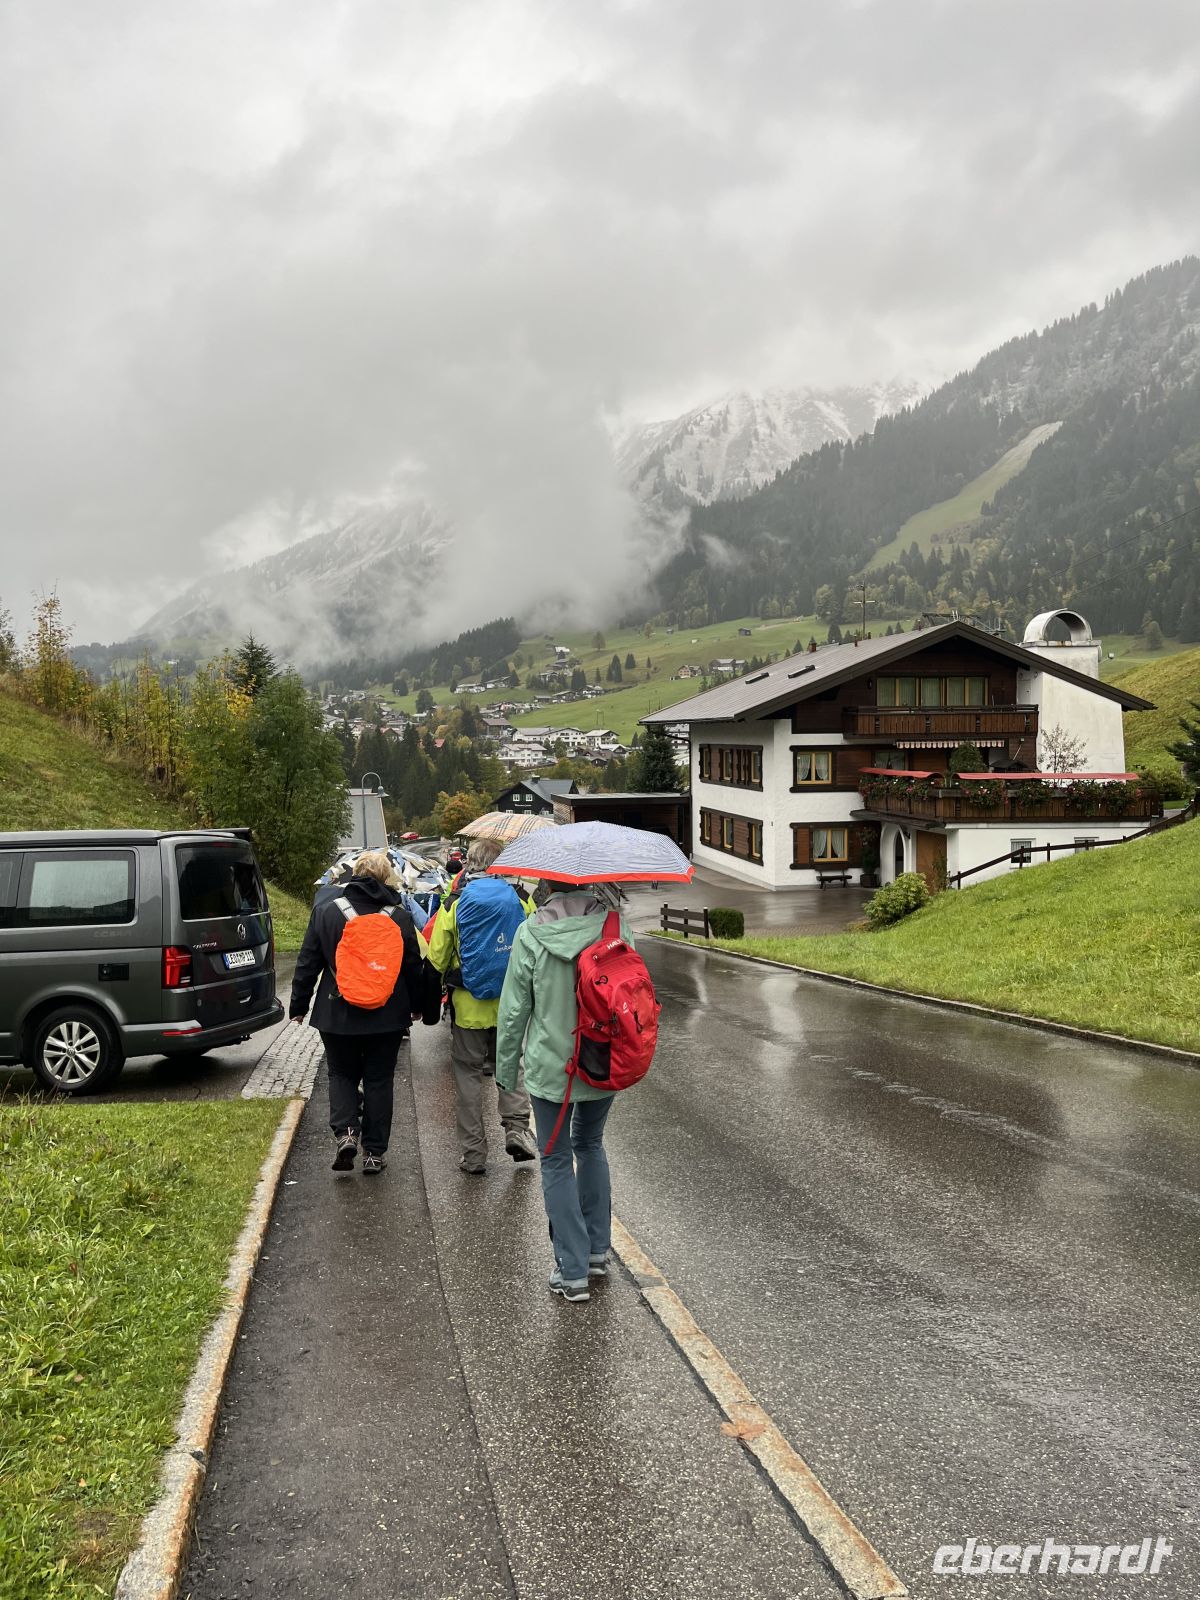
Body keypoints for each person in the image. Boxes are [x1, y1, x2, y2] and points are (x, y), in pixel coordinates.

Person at [496, 883, 628, 1304]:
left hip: (551, 1068)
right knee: (591, 1145)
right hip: (601, 1060)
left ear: (544, 889)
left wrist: (505, 1071)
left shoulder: (531, 934)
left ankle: (571, 1272)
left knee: (555, 1159)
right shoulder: (612, 926)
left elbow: (515, 1010)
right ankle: (594, 1254)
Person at [289, 850, 429, 1176]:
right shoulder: (399, 916)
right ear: (384, 878)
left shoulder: (325, 912)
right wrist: (418, 1006)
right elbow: (412, 967)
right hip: (387, 1014)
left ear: (352, 875)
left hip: (337, 1011)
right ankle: (374, 1154)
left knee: (341, 1074)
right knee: (379, 1080)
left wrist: (298, 1005)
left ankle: (346, 1132)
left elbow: (308, 961)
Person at [428, 837, 538, 1173]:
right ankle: (517, 1129)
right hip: (510, 1006)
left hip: (469, 1006)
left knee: (468, 1076)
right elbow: (535, 945)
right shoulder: (520, 899)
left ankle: (474, 1155)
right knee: (511, 1068)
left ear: (470, 865)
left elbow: (436, 957)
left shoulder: (455, 903)